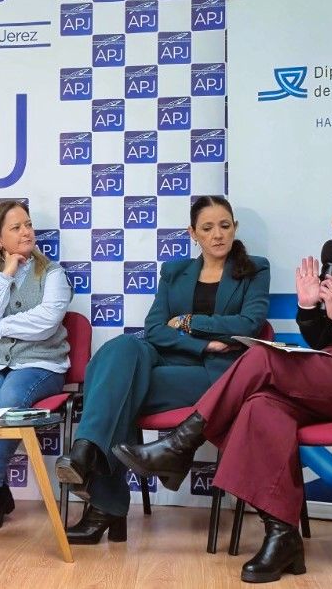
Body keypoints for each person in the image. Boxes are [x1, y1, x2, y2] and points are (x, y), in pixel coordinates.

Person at [114, 179, 332, 583]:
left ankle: (182, 444)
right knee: (261, 406)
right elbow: (324, 339)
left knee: (262, 357)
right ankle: (282, 536)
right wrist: (310, 307)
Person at [55, 195, 269, 545]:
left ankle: (99, 488)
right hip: (169, 358)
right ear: (193, 233)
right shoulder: (175, 271)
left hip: (216, 375)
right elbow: (154, 329)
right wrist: (203, 340)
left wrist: (188, 322)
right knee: (120, 349)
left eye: (225, 226)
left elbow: (248, 323)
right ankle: (86, 452)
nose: (218, 235)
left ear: (235, 228)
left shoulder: (254, 269)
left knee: (115, 387)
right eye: (207, 228)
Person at [0, 200, 73, 532]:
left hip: (40, 362)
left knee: (8, 403)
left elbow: (47, 323)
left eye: (29, 225)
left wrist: (3, 326)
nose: (26, 232)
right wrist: (5, 273)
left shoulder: (53, 274)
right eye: (16, 227)